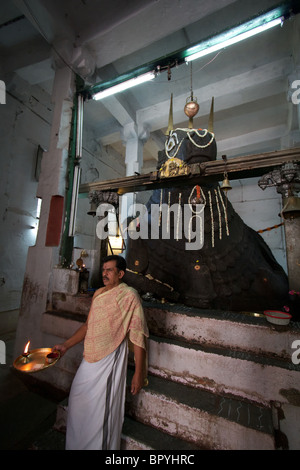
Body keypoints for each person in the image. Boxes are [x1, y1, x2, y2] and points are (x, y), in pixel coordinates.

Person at [53, 255, 149, 450]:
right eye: (103, 270)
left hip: (110, 358)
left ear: (120, 274)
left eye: (109, 270)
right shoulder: (98, 294)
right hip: (90, 356)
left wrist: (139, 373)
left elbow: (138, 336)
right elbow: (88, 325)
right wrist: (66, 345)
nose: (104, 274)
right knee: (78, 400)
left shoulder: (130, 296)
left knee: (101, 412)